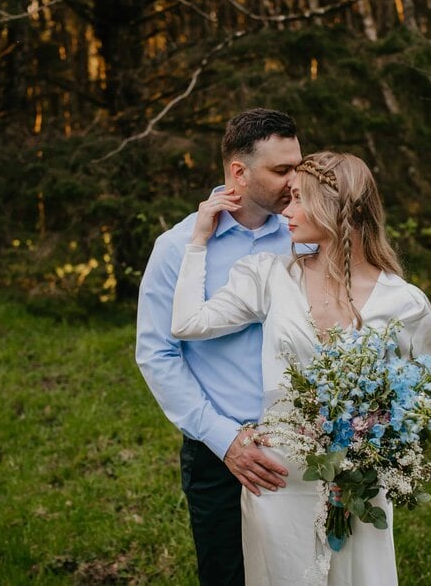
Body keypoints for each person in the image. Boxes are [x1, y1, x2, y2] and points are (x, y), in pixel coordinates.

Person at [171, 151, 431, 585]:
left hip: (357, 488)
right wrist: (198, 240)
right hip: (276, 482)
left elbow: (417, 399)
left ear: (335, 209)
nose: (287, 211)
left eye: (298, 199)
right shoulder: (272, 276)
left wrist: (370, 444)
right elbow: (187, 324)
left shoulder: (405, 304)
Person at [135, 108, 303, 585]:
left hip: (301, 444)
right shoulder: (176, 247)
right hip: (219, 454)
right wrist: (225, 440)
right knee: (227, 575)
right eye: (281, 170)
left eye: (298, 166)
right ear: (238, 172)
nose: (295, 181)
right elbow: (157, 354)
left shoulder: (305, 237)